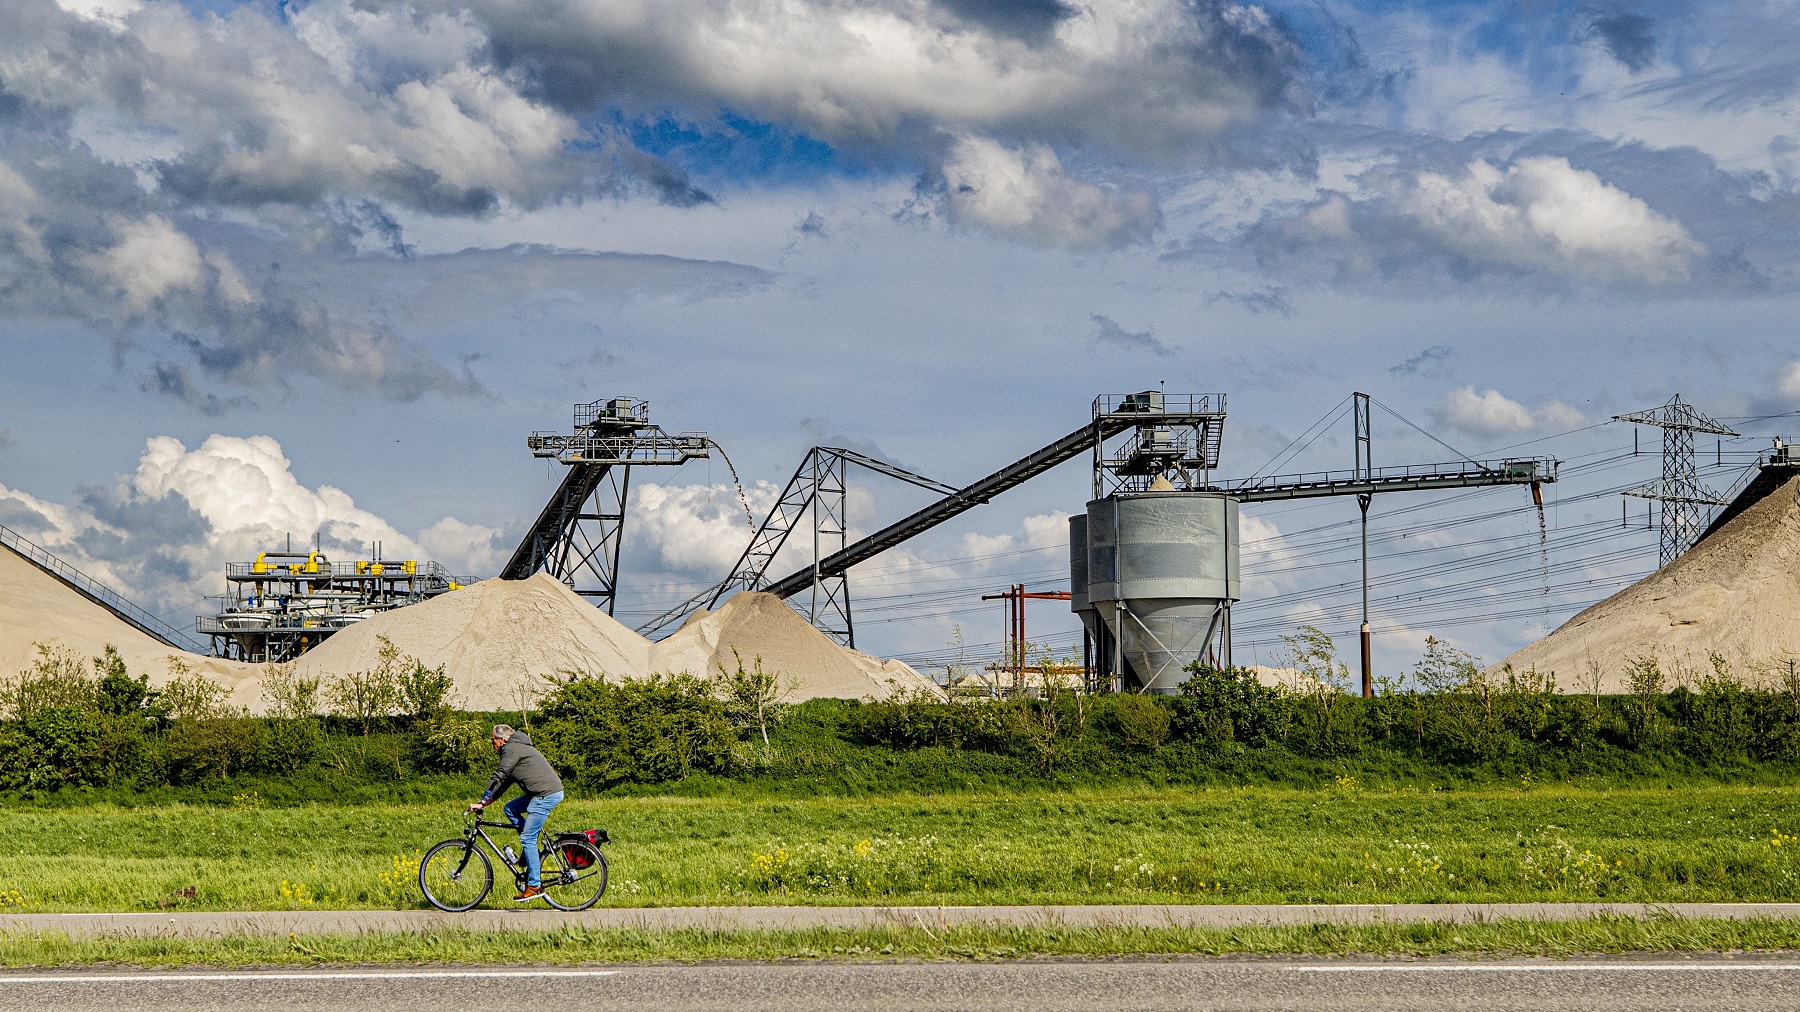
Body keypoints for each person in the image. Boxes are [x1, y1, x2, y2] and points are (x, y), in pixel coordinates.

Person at [468, 724, 565, 902]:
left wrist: (482, 800)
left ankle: (534, 886)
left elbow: (499, 774)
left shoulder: (511, 749)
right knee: (510, 808)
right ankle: (530, 854)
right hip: (541, 792)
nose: (492, 744)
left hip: (545, 794)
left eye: (493, 741)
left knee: (527, 838)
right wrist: (488, 801)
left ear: (502, 739)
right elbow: (505, 781)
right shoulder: (516, 748)